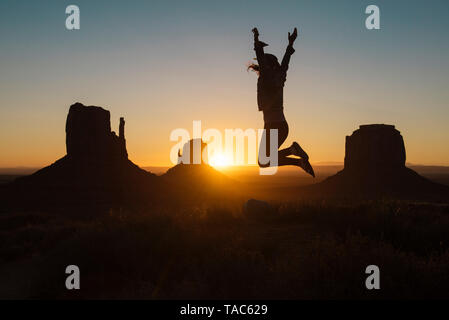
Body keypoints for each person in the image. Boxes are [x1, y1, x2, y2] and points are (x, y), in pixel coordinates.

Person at [249, 27, 315, 177]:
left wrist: (256, 41)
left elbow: (264, 62)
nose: (261, 66)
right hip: (280, 126)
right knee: (264, 161)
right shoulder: (280, 76)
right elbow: (285, 63)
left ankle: (295, 154)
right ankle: (295, 155)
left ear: (268, 65)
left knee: (263, 161)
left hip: (274, 126)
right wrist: (290, 44)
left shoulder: (268, 77)